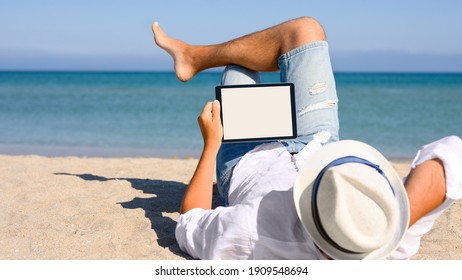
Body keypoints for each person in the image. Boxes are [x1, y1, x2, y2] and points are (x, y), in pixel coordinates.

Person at [152, 17, 462, 259]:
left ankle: (193, 57)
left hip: (248, 157)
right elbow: (451, 155)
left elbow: (191, 217)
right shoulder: (380, 237)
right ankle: (194, 57)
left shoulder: (255, 231)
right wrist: (390, 223)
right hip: (319, 143)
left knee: (240, 68)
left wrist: (211, 144)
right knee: (305, 30)